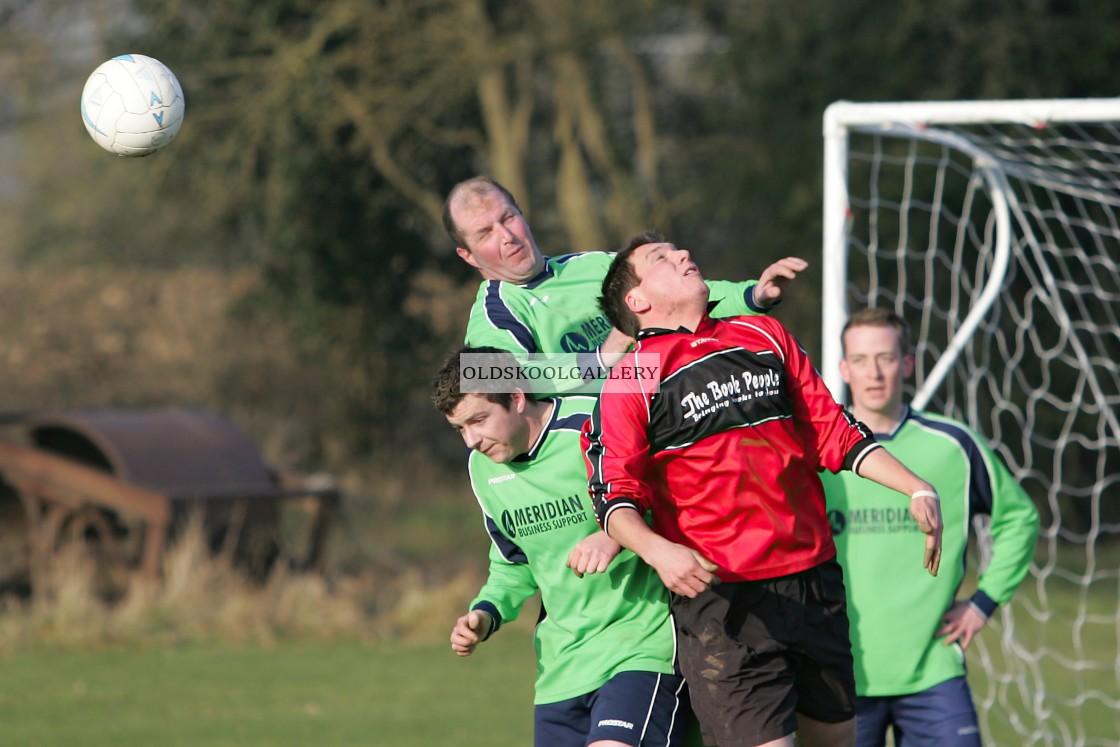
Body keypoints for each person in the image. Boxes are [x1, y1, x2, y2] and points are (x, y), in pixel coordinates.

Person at [582, 231, 945, 747]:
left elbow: (833, 430)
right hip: (725, 602)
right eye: (662, 259)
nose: (685, 254)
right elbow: (615, 496)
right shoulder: (630, 380)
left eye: (680, 249)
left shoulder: (764, 334)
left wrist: (915, 487)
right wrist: (658, 551)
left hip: (813, 581)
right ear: (636, 301)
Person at [433, 345, 693, 747]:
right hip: (562, 667)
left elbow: (677, 499)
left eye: (479, 420)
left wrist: (616, 533)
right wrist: (484, 614)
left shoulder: (592, 424)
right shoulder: (482, 471)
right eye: (460, 429)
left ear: (517, 398)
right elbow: (514, 560)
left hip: (640, 644)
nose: (471, 440)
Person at [819, 308, 1040, 747]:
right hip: (839, 673)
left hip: (933, 672)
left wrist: (983, 603)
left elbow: (1020, 518)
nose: (874, 372)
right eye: (860, 360)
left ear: (907, 363)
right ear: (843, 369)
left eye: (885, 357)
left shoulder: (952, 446)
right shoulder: (818, 453)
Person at [443, 176, 807, 393]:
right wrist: (600, 358)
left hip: (670, 411)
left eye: (508, 217)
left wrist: (754, 294)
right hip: (603, 465)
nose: (507, 236)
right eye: (486, 232)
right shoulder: (496, 311)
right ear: (468, 255)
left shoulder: (592, 265)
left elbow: (683, 293)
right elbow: (486, 376)